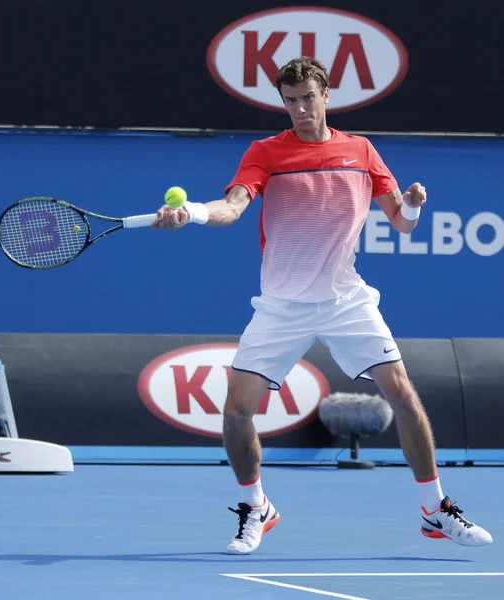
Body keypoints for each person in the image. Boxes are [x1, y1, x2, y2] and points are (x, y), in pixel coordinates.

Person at [152, 57, 492, 554]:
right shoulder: (265, 152)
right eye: (290, 101)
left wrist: (414, 202)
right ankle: (256, 508)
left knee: (403, 394)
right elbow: (234, 206)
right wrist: (194, 214)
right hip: (281, 306)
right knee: (236, 411)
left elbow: (402, 221)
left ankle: (435, 510)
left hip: (345, 300)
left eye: (308, 98)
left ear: (325, 95)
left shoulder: (361, 150)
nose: (300, 109)